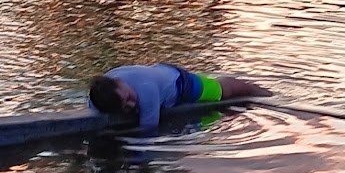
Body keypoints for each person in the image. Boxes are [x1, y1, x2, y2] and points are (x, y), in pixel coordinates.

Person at [87, 63, 269, 130]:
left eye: (129, 98)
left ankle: (261, 92)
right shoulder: (99, 97)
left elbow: (148, 131)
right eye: (125, 106)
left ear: (120, 82)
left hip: (179, 83)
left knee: (222, 91)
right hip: (158, 74)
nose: (132, 104)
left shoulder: (145, 90)